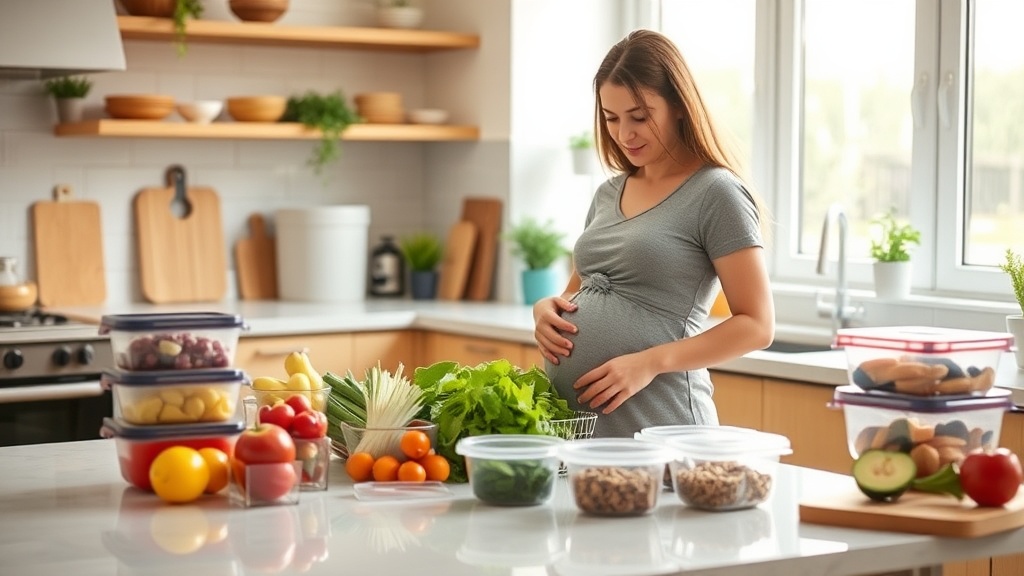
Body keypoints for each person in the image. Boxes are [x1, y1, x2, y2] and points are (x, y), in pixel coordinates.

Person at [533, 29, 775, 438]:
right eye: (611, 118)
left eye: (640, 116)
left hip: (661, 426)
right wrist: (546, 310)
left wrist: (649, 362)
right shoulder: (608, 193)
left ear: (679, 106)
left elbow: (757, 325)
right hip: (578, 433)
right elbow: (581, 292)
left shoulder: (716, 192)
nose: (624, 133)